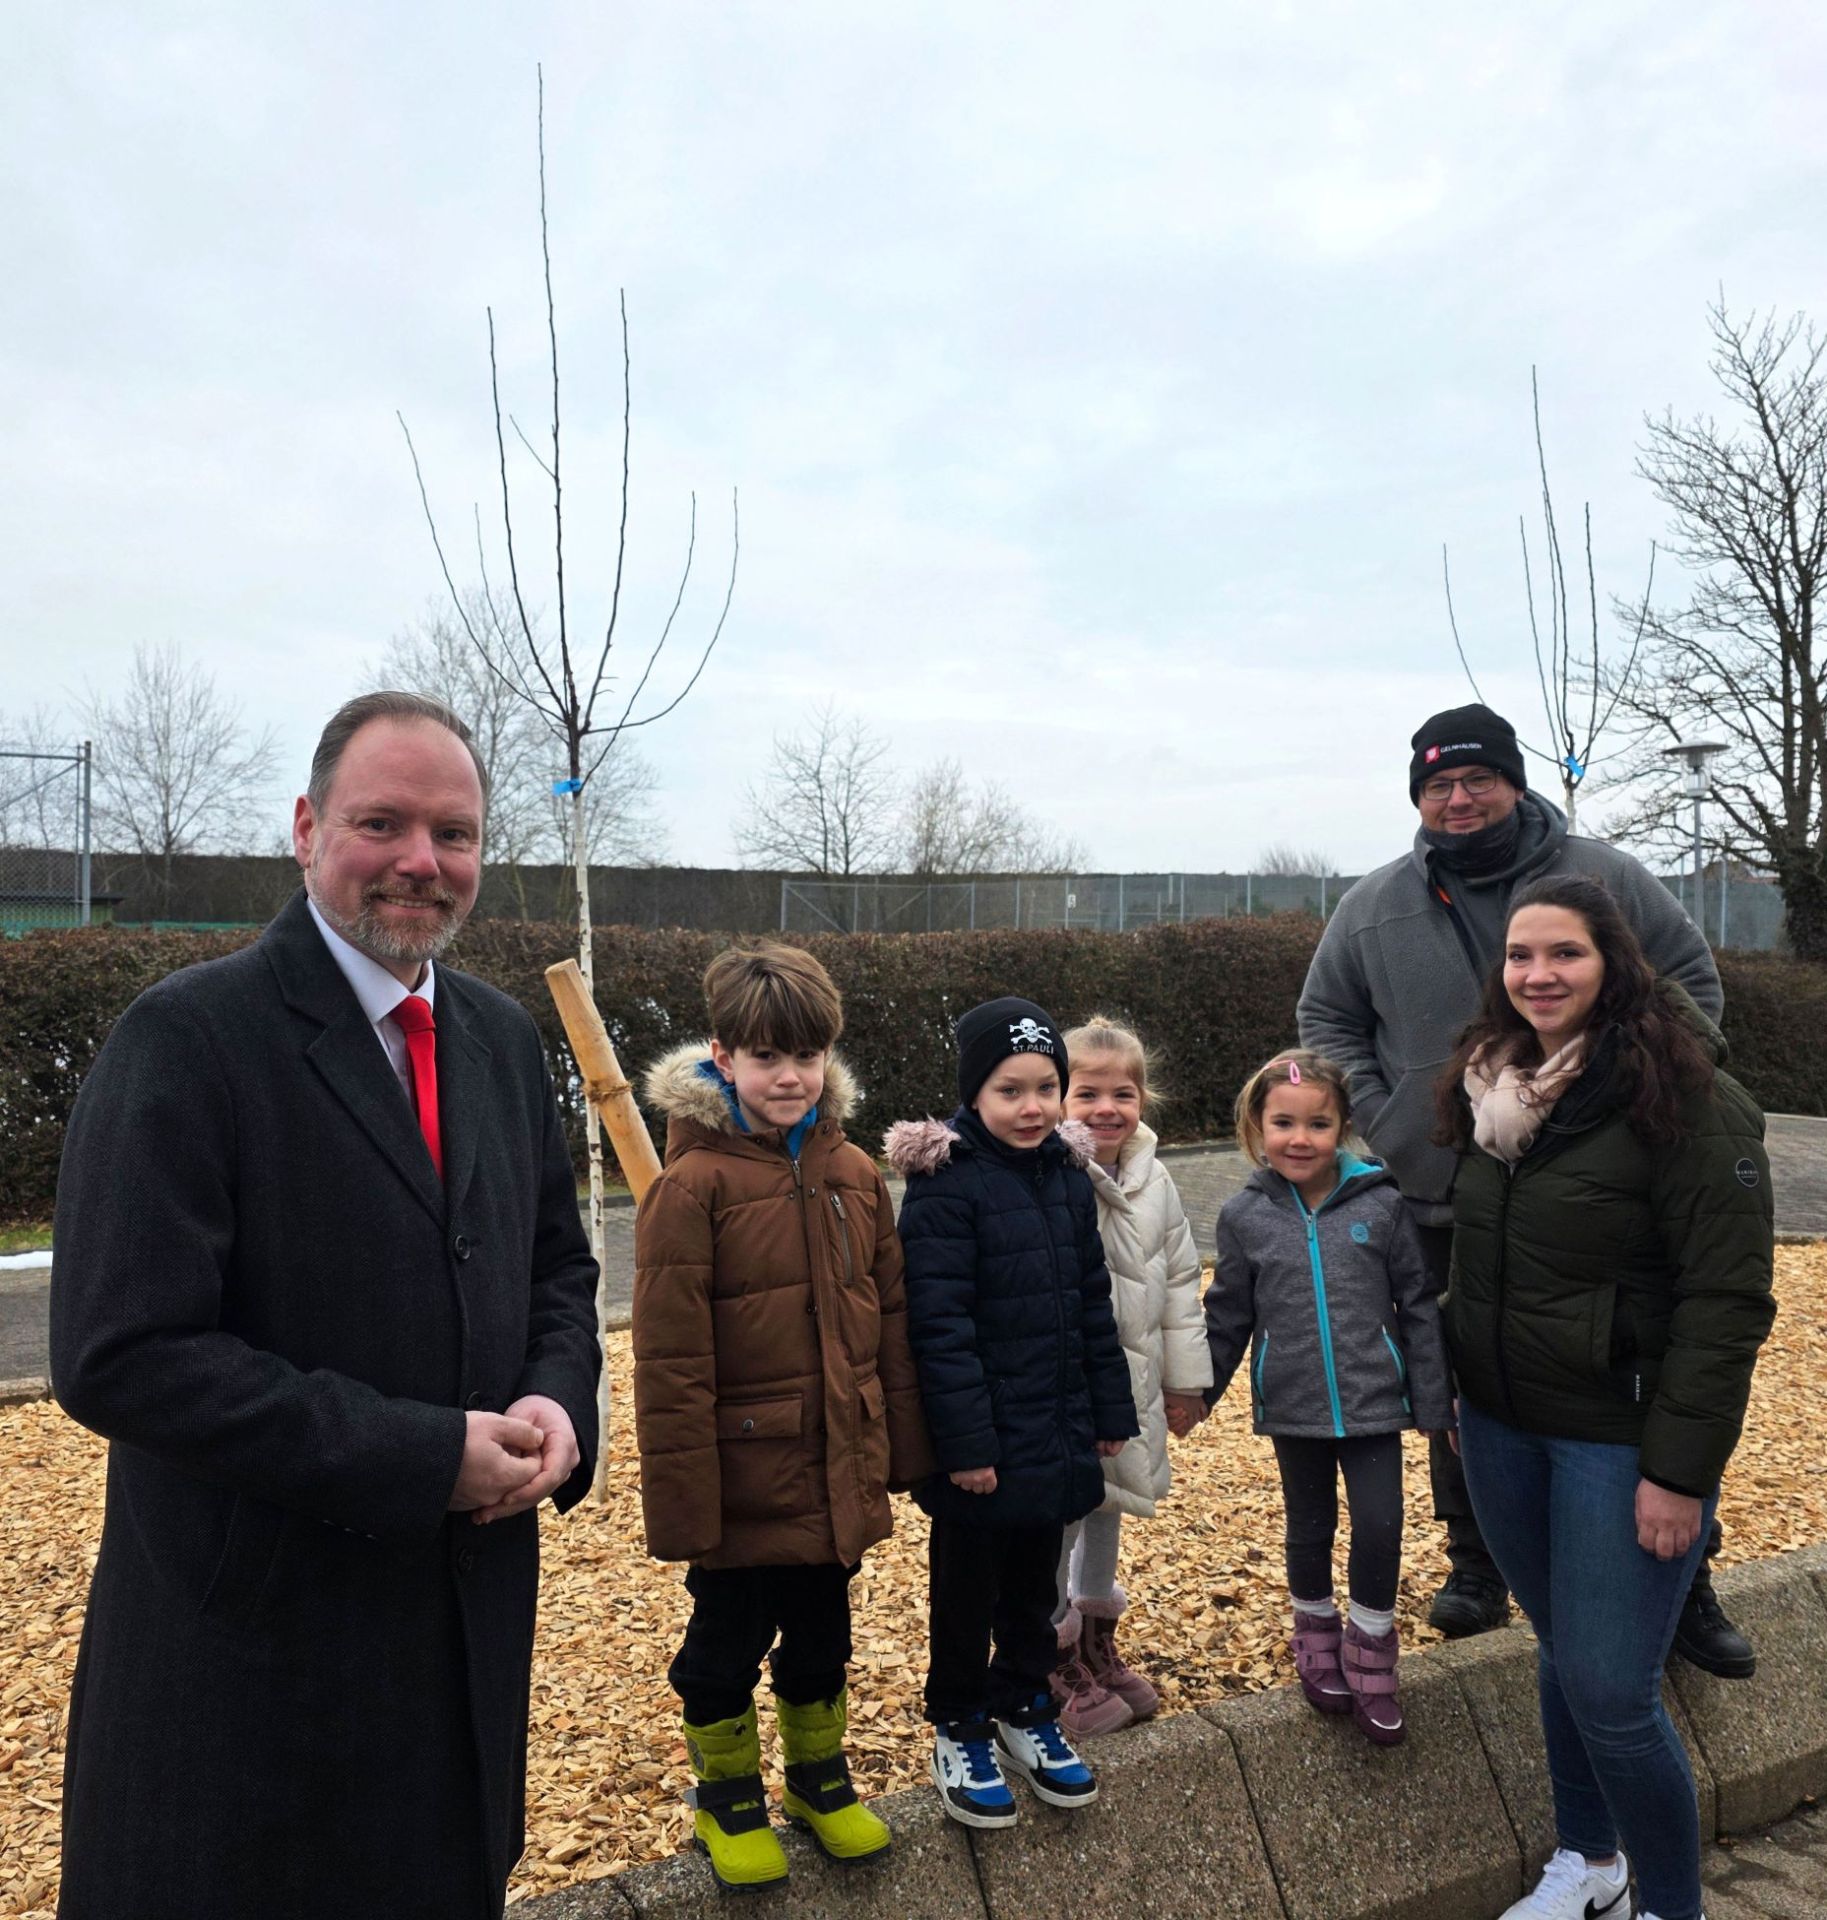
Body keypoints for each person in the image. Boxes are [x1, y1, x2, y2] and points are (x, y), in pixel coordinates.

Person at [49, 692, 602, 1920]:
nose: (422, 860)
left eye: (453, 834)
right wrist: (422, 1454)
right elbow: (120, 1353)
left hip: (457, 1670)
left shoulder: (503, 1044)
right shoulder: (188, 1040)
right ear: (306, 829)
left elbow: (560, 1270)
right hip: (250, 1688)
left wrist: (559, 1401)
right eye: (383, 823)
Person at [1296, 702, 1750, 1678]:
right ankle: (1478, 1564)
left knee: (1638, 1369)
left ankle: (1686, 1585)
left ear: (1513, 780)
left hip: (1604, 1199)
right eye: (1437, 784)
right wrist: (1408, 1136)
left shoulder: (1607, 877)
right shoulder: (1374, 905)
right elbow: (1325, 1017)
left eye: (1477, 778)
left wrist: (1639, 1104)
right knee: (1464, 1380)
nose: (1458, 798)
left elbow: (1691, 986)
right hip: (1448, 1199)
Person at [1437, 876, 1774, 1920]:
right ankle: (1590, 1867)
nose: (1538, 975)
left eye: (1564, 954)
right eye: (1520, 955)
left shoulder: (1685, 1094)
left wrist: (1679, 1473)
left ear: (1613, 960)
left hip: (1616, 1441)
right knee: (1563, 1653)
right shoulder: (1495, 1084)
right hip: (1498, 1426)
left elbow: (1726, 1302)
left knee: (1617, 1698)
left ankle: (1674, 1908)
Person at [631, 942, 932, 1891]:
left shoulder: (850, 1170)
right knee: (723, 1645)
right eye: (767, 1058)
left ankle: (816, 1777)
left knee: (823, 1635)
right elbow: (670, 1361)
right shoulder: (692, 1188)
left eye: (805, 1055)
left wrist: (904, 1448)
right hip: (741, 1472)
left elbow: (887, 1315)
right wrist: (684, 1504)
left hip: (833, 1461)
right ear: (723, 1055)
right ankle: (724, 1796)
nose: (789, 1076)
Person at [884, 996, 1139, 1828]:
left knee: (1035, 1588)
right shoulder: (945, 1186)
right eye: (1007, 1090)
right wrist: (963, 1442)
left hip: (1056, 1427)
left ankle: (1024, 1705)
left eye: (1043, 1089)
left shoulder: (1067, 1179)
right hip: (983, 1443)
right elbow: (938, 1326)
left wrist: (1107, 1409)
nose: (1030, 1108)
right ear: (972, 1094)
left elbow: (1089, 1303)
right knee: (966, 1591)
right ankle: (958, 1721)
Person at [1203, 1048, 1452, 1746]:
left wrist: (1432, 1403)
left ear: (1341, 1127)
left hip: (1376, 1403)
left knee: (1379, 1523)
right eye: (1283, 1122)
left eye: (1317, 1123)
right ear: (1256, 1127)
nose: (1299, 1138)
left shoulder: (1382, 1203)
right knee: (1307, 1528)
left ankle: (1372, 1649)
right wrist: (1194, 1395)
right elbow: (1226, 1316)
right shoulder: (1243, 1216)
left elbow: (1418, 1306)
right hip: (1294, 1405)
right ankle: (1314, 1635)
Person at [1046, 1016, 1212, 1738]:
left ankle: (1092, 1638)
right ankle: (1047, 1650)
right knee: (1057, 1516)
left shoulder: (1154, 1176)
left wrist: (1184, 1383)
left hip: (1132, 1380)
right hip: (1064, 1383)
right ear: (1056, 1098)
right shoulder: (1048, 1171)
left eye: (1124, 1092)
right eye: (1087, 1092)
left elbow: (1179, 1279)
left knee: (1110, 1508)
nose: (1107, 1108)